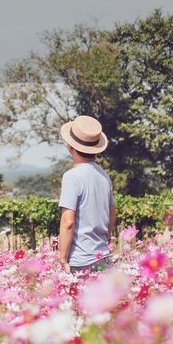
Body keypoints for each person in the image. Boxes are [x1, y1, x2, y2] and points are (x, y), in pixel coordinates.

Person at [56, 115, 116, 275]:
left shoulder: (72, 177)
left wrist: (62, 258)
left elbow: (68, 222)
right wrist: (104, 240)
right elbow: (112, 216)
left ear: (71, 147)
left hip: (81, 263)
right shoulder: (104, 176)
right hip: (104, 259)